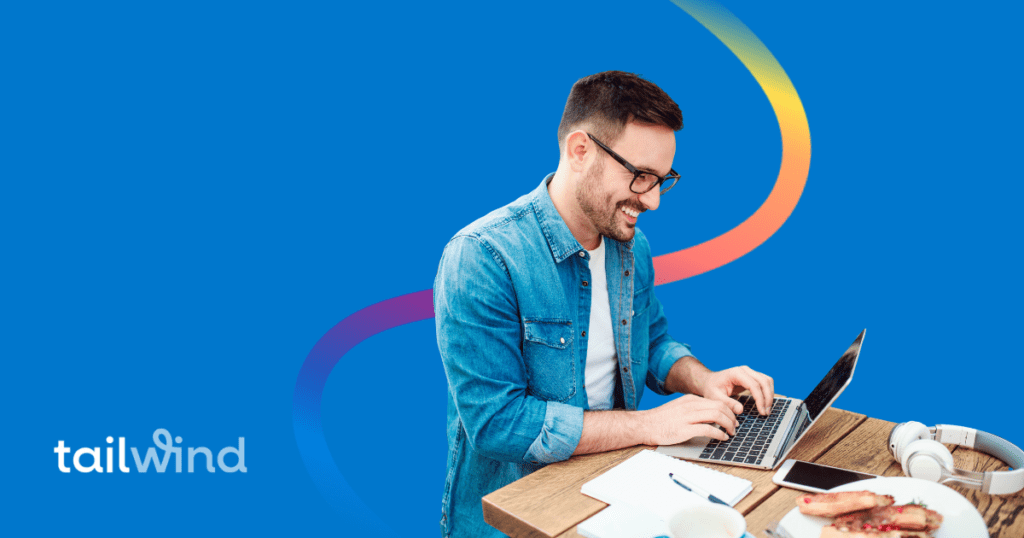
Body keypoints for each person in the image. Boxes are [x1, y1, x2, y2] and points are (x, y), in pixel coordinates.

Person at [433, 71, 775, 538]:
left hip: (624, 492)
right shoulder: (482, 257)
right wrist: (648, 425)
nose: (652, 200)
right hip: (522, 516)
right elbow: (498, 424)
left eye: (662, 179)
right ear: (580, 151)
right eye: (640, 177)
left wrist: (705, 381)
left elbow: (650, 342)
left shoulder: (631, 248)